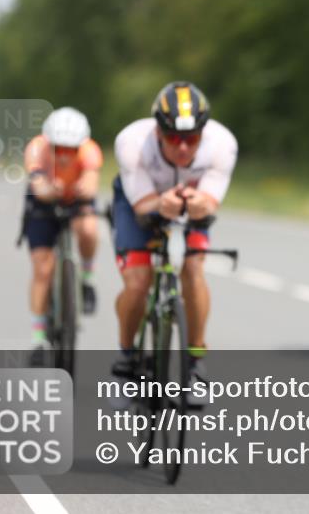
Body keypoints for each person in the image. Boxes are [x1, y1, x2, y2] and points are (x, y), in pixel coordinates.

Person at [110, 81, 237, 402]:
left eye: (191, 139)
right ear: (157, 133)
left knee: (193, 268)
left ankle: (195, 363)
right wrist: (160, 205)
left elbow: (210, 203)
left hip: (189, 203)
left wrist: (200, 204)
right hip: (140, 202)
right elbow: (142, 207)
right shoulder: (131, 143)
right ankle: (126, 361)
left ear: (203, 134)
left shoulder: (222, 144)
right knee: (137, 283)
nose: (183, 148)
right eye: (173, 139)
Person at [22, 107, 103, 364]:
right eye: (59, 148)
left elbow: (91, 182)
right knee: (42, 268)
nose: (66, 155)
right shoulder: (36, 148)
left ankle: (87, 279)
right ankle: (38, 339)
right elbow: (38, 185)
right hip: (43, 203)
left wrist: (84, 188)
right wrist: (48, 189)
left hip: (76, 199)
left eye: (72, 149)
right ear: (49, 142)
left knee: (89, 230)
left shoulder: (90, 150)